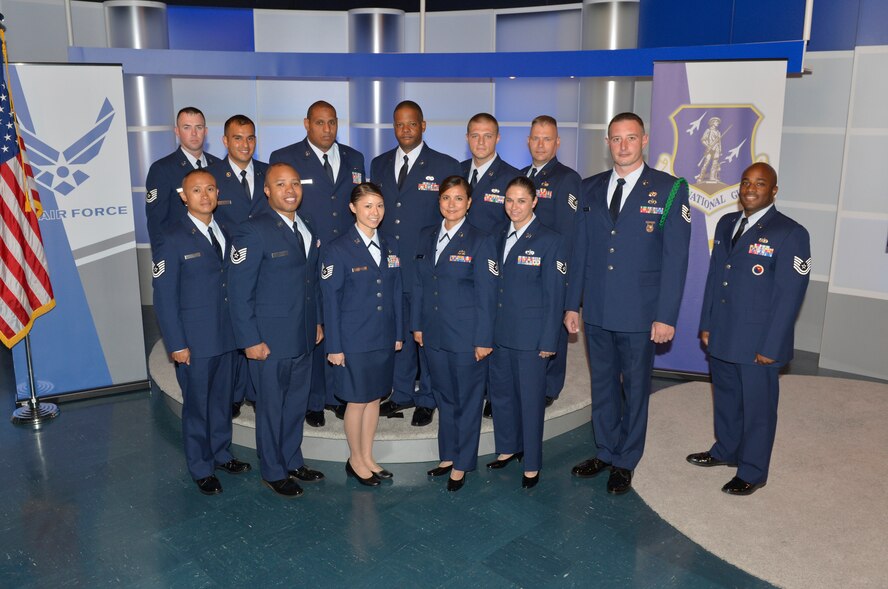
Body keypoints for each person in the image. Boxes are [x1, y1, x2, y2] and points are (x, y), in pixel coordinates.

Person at [565, 112, 691, 495]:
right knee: (602, 384)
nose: (623, 146)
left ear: (645, 140)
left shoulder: (670, 189)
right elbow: (581, 251)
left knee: (635, 387)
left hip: (640, 312)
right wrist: (573, 304)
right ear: (608, 143)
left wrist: (666, 315)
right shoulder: (589, 188)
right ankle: (605, 449)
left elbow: (676, 258)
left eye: (630, 138)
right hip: (599, 309)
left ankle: (626, 459)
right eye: (616, 139)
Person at [687, 162, 810, 496]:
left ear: (773, 191)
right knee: (726, 397)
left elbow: (790, 296)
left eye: (760, 183)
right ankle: (726, 449)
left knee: (758, 407)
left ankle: (753, 471)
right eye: (745, 182)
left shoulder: (790, 233)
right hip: (723, 331)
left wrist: (773, 345)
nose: (751, 188)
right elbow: (716, 277)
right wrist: (707, 323)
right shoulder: (727, 223)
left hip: (759, 340)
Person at [228, 163, 325, 498]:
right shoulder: (251, 231)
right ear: (267, 190)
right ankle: (273, 470)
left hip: (302, 335)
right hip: (268, 340)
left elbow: (310, 283)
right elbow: (239, 292)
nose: (290, 190)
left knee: (296, 404)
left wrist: (316, 322)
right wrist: (249, 340)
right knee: (271, 408)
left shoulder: (307, 225)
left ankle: (292, 459)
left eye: (296, 183)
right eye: (280, 184)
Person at [152, 169, 251, 495]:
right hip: (194, 340)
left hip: (227, 336)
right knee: (197, 406)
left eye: (210, 189)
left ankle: (222, 453)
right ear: (184, 196)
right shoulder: (172, 236)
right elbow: (164, 297)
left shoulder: (226, 229)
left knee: (223, 401)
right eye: (197, 190)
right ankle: (200, 466)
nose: (205, 196)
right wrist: (176, 343)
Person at [270, 101, 367, 427]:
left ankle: (339, 395)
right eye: (320, 123)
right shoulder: (286, 158)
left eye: (332, 123)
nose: (327, 129)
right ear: (306, 124)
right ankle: (312, 400)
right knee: (313, 326)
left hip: (348, 257)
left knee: (343, 323)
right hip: (306, 257)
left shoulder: (355, 158)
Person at [372, 100, 461, 427]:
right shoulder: (378, 164)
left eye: (411, 123)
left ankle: (428, 397)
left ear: (423, 126)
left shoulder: (445, 164)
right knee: (399, 333)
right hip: (390, 265)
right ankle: (401, 393)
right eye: (399, 124)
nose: (405, 129)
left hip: (427, 266)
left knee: (426, 335)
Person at [413, 176, 497, 492]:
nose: (451, 204)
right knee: (444, 397)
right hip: (433, 334)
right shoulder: (426, 236)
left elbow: (488, 296)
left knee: (467, 400)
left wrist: (484, 339)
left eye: (458, 198)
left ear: (469, 203)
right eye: (446, 198)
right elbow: (420, 284)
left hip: (466, 338)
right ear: (439, 201)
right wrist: (417, 325)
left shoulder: (481, 240)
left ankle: (463, 463)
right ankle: (447, 456)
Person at [320, 182, 403, 487]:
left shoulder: (391, 244)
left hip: (382, 337)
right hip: (352, 340)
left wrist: (397, 333)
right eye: (367, 206)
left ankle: (368, 456)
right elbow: (330, 301)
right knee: (356, 401)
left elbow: (395, 292)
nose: (375, 212)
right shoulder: (337, 248)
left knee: (374, 399)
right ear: (353, 208)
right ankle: (355, 459)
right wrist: (335, 346)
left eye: (379, 205)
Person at [487, 176, 566, 489]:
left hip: (532, 338)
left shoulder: (551, 239)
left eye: (521, 200)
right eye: (509, 200)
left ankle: (532, 462)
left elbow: (554, 295)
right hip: (499, 333)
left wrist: (549, 340)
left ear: (534, 202)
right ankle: (508, 447)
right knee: (502, 395)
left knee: (531, 401)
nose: (514, 207)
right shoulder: (494, 235)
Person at [207, 114, 269, 419]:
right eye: (237, 138)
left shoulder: (270, 173)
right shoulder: (210, 177)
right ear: (224, 141)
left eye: (250, 138)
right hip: (227, 270)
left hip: (267, 269)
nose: (245, 144)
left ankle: (255, 393)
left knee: (258, 330)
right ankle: (233, 394)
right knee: (232, 335)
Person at [521, 115, 581, 406]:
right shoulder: (521, 177)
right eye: (536, 138)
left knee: (553, 327)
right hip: (523, 268)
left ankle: (550, 387)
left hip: (551, 268)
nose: (540, 144)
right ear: (528, 141)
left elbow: (568, 233)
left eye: (547, 138)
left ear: (557, 142)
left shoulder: (567, 179)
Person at [146, 107, 219, 252]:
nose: (194, 133)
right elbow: (157, 222)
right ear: (177, 131)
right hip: (182, 252)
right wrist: (163, 259)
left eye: (199, 127)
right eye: (187, 127)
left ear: (206, 131)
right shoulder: (162, 169)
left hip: (217, 249)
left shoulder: (218, 166)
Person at [462, 113, 521, 234]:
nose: (481, 142)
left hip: (493, 251)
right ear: (467, 138)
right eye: (475, 136)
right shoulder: (456, 170)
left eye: (487, 136)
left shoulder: (514, 178)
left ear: (497, 138)